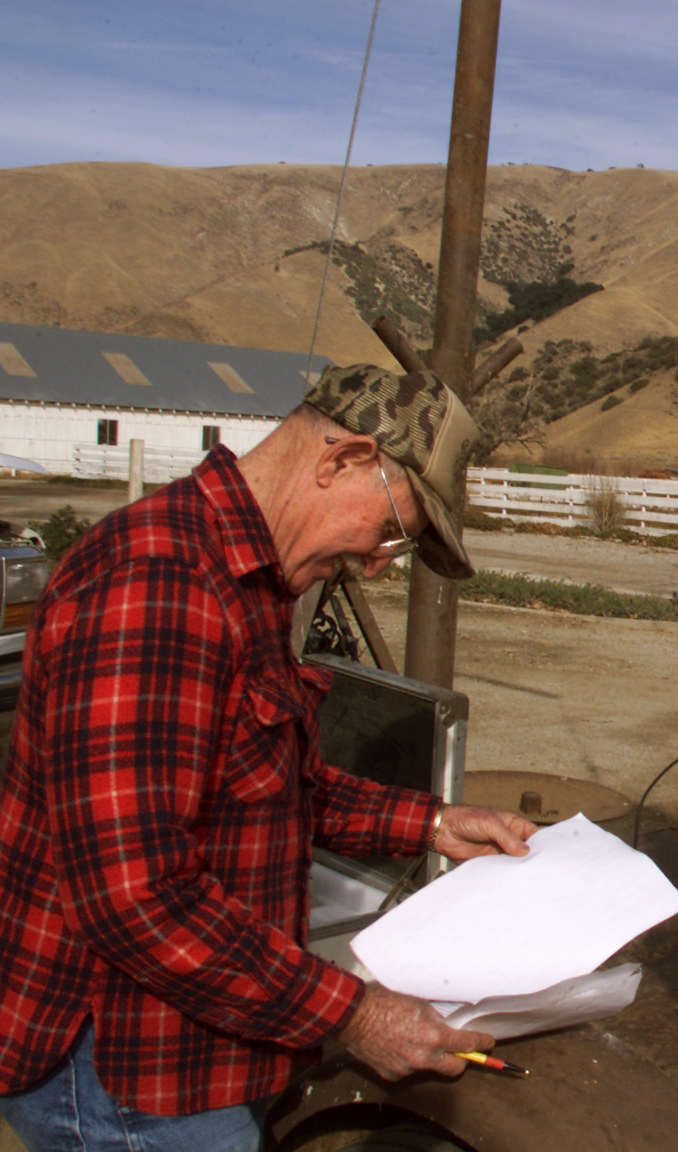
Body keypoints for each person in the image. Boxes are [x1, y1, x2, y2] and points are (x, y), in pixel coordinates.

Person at [0, 364, 541, 1151]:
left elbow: (273, 785)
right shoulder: (159, 587)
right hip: (128, 1074)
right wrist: (356, 1013)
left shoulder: (245, 578)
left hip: (203, 1049)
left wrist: (434, 822)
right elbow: (137, 898)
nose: (381, 563)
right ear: (341, 461)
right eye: (395, 531)